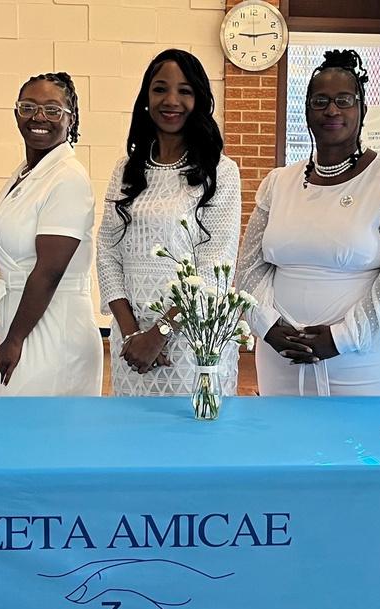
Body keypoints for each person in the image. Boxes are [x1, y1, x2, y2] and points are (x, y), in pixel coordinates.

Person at [237, 50, 380, 396]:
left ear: (362, 110)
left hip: (364, 362)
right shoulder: (278, 183)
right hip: (281, 355)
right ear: (306, 111)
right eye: (320, 101)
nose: (332, 110)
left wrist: (341, 337)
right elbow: (248, 267)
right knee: (280, 431)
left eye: (344, 100)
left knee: (363, 433)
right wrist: (268, 327)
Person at [96, 49, 242, 396]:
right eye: (160, 89)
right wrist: (133, 335)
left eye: (184, 91)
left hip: (191, 340)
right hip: (131, 342)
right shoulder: (126, 170)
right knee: (131, 427)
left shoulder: (221, 172)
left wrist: (159, 334)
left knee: (192, 428)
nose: (171, 100)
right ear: (146, 98)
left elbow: (214, 268)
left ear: (200, 99)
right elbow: (107, 252)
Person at [0, 71, 102, 396]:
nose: (39, 117)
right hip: (23, 319)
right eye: (28, 107)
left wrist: (14, 339)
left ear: (70, 118)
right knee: (19, 421)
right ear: (16, 113)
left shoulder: (68, 178)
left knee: (40, 422)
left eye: (52, 110)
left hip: (53, 327)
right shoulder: (26, 173)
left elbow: (49, 271)